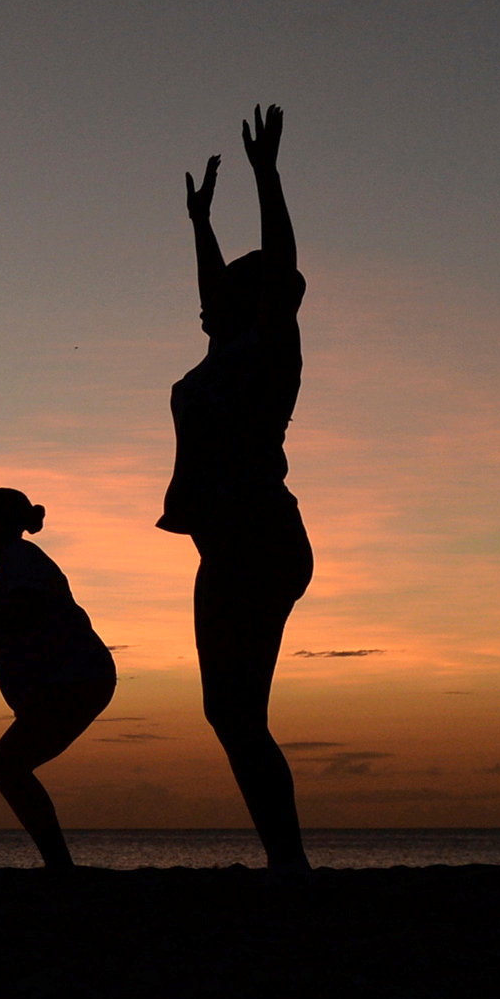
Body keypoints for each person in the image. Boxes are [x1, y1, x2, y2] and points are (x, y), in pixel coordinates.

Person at [162, 104, 312, 876]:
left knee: (236, 714)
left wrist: (266, 175)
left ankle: (291, 868)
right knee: (230, 714)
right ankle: (287, 864)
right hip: (228, 546)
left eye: (231, 289)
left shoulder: (269, 352)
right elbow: (213, 290)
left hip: (258, 539)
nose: (210, 294)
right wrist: (199, 222)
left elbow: (276, 265)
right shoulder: (222, 352)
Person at [0, 488, 119, 869]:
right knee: (11, 766)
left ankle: (59, 865)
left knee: (8, 765)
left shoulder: (21, 558)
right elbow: (20, 627)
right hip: (75, 680)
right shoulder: (13, 562)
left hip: (76, 680)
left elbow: (26, 611)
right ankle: (58, 864)